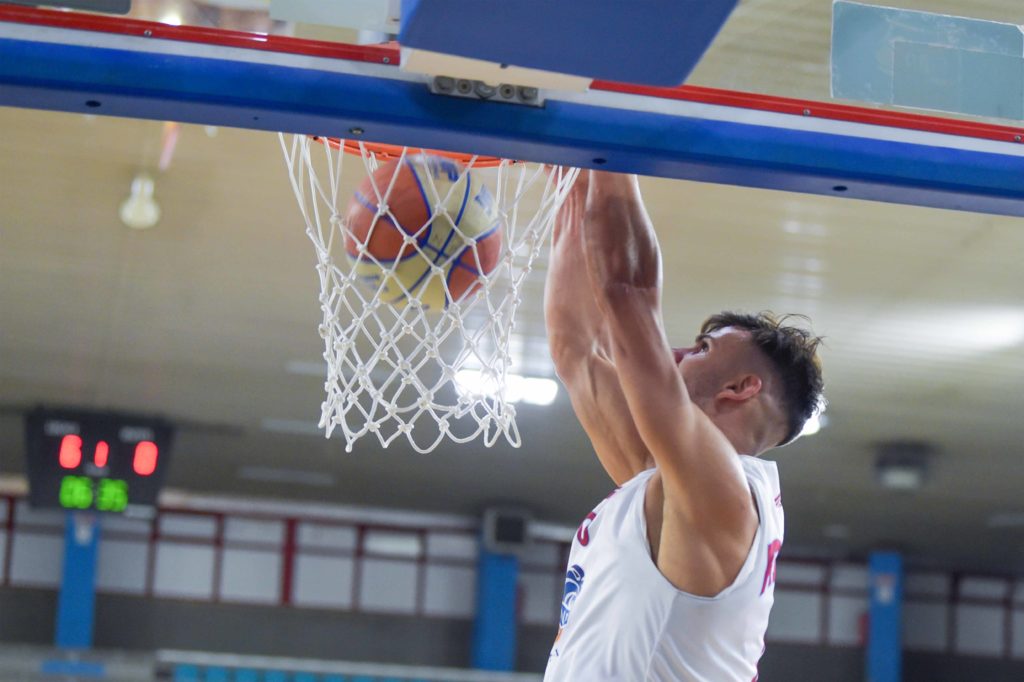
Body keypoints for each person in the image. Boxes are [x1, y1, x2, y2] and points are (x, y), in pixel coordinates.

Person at [543, 170, 825, 681]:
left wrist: (610, 159)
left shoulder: (720, 491)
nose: (675, 353)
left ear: (740, 388)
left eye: (701, 349)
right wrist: (572, 182)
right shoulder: (672, 484)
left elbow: (628, 292)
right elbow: (577, 348)